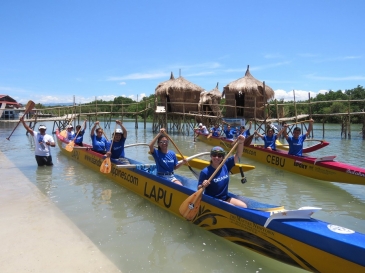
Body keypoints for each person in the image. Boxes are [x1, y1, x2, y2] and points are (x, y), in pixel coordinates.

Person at [197, 135, 247, 208]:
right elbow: (199, 189)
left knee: (244, 206)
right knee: (233, 208)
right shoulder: (205, 171)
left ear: (223, 157)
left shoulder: (226, 165)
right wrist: (203, 185)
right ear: (211, 156)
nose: (217, 157)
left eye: (220, 156)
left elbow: (238, 154)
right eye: (214, 155)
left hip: (224, 198)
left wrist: (241, 142)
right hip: (213, 200)